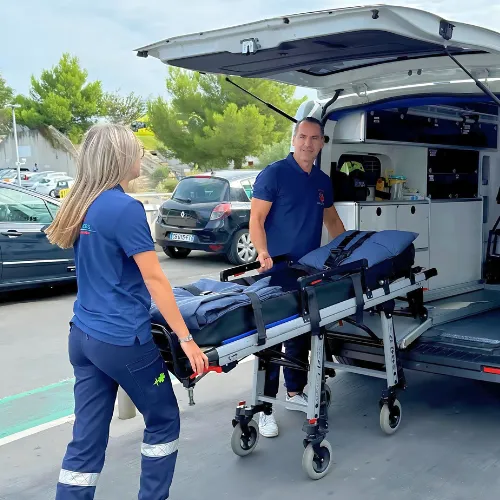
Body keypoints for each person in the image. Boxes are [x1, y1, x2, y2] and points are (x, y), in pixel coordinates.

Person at [45, 123, 208, 500]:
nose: (142, 157)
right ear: (120, 158)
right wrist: (187, 341)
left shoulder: (82, 202)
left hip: (83, 338)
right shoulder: (124, 208)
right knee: (164, 419)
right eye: (136, 150)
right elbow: (155, 280)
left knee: (86, 437)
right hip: (122, 342)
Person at [249, 117, 345, 438]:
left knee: (300, 336)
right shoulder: (274, 174)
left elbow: (332, 221)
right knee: (271, 340)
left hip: (308, 272)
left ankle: (294, 392)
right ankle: (264, 410)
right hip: (275, 273)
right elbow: (256, 220)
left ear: (321, 143)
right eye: (302, 137)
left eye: (314, 138)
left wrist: (346, 254)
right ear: (293, 139)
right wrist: (262, 252)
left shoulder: (322, 181)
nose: (307, 143)